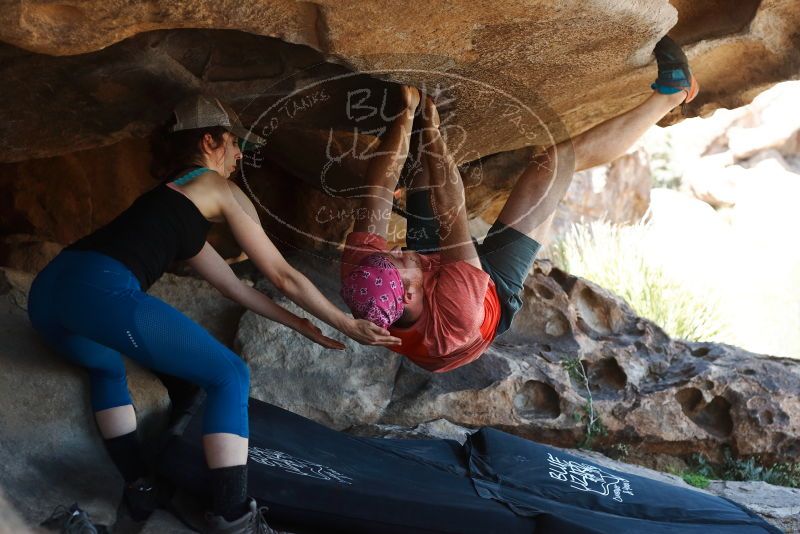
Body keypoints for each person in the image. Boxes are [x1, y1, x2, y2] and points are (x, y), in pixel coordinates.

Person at [27, 94, 400, 533]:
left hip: (47, 297)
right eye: (234, 143)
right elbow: (281, 273)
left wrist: (301, 324)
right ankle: (232, 517)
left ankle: (140, 487)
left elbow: (232, 286)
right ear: (210, 141)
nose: (240, 154)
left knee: (107, 366)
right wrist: (345, 322)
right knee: (230, 375)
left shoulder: (175, 205)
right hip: (98, 288)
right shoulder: (213, 185)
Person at [340, 36, 698, 373]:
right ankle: (674, 92)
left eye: (392, 252)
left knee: (419, 167)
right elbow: (452, 213)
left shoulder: (363, 273)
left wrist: (406, 112)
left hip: (437, 284)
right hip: (489, 296)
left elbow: (378, 191)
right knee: (555, 163)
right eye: (402, 258)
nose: (400, 248)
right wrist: (431, 130)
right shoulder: (458, 312)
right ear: (409, 293)